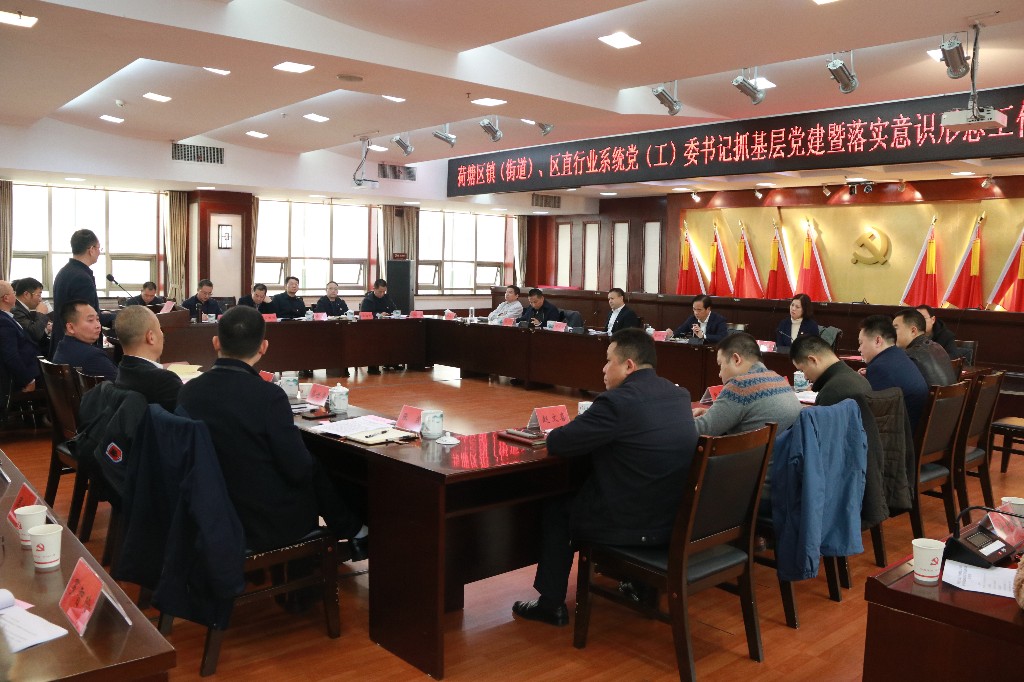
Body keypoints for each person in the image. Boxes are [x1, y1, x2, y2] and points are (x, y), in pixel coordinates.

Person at [511, 328, 697, 626]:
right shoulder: (679, 395)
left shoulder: (617, 402)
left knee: (558, 508)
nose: (603, 368)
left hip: (632, 524)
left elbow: (560, 442)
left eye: (608, 360)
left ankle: (550, 604)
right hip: (672, 520)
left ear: (628, 365)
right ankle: (638, 584)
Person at [177, 305, 367, 553]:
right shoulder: (268, 396)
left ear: (215, 342)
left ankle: (351, 528)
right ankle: (354, 531)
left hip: (206, 510)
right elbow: (298, 469)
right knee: (314, 465)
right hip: (260, 521)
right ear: (263, 347)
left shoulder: (188, 391)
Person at [692, 332, 801, 436]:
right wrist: (714, 413)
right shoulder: (779, 380)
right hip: (781, 448)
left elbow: (697, 430)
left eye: (720, 365)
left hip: (747, 449)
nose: (720, 374)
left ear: (736, 359)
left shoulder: (739, 386)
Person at [858, 314, 929, 429]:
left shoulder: (879, 368)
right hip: (912, 427)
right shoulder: (899, 355)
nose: (859, 349)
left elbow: (869, 413)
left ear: (878, 341)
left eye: (861, 343)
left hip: (899, 435)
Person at [114, 305, 183, 411]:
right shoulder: (165, 381)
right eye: (160, 329)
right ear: (150, 337)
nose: (162, 334)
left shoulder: (122, 370)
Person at [51, 228, 106, 358]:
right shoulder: (82, 278)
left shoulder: (64, 271)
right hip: (79, 350)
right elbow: (84, 316)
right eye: (99, 248)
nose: (99, 252)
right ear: (91, 249)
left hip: (63, 343)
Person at [790, 334, 871, 406]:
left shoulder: (831, 392)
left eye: (802, 370)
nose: (805, 377)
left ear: (813, 360)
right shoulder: (861, 380)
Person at [52, 300, 118, 381]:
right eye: (90, 320)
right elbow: (122, 384)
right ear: (70, 327)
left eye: (97, 319)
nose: (98, 325)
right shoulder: (92, 356)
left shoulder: (63, 347)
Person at [893, 308, 957, 386]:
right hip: (953, 394)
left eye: (895, 328)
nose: (892, 333)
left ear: (913, 331)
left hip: (931, 394)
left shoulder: (910, 356)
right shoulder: (938, 347)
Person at [0, 280, 41, 396]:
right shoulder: (3, 321)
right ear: (6, 298)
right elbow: (11, 356)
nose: (16, 295)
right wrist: (28, 380)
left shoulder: (7, 317)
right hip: (20, 379)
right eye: (13, 292)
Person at [12, 277, 52, 356]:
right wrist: (41, 314)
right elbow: (34, 335)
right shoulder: (16, 310)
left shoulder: (23, 308)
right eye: (38, 295)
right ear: (26, 294)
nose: (40, 299)